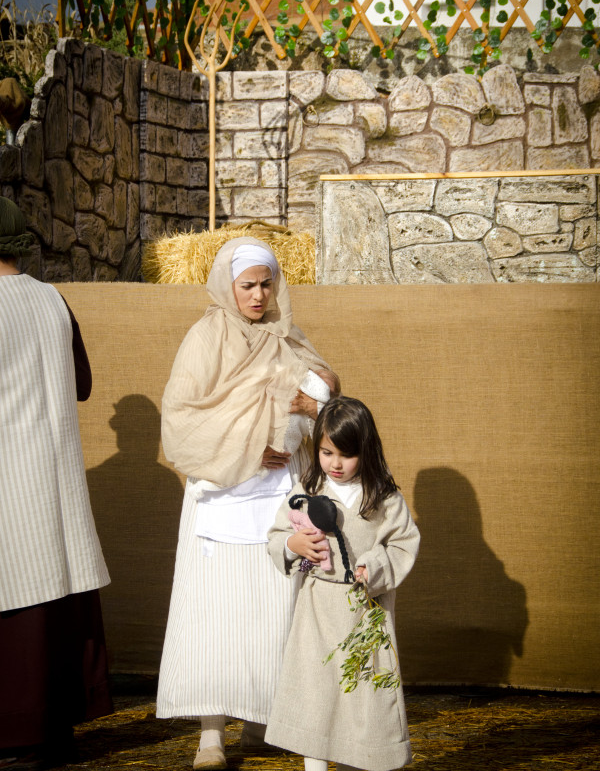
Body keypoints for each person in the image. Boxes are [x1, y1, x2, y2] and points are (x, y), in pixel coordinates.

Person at [157, 237, 339, 771]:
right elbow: (181, 416)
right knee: (215, 614)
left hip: (276, 500)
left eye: (266, 284)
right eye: (248, 285)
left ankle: (263, 718)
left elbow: (326, 396)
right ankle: (209, 736)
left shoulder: (288, 338)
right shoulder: (205, 335)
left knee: (271, 610)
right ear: (227, 285)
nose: (258, 296)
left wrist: (313, 402)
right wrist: (243, 445)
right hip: (223, 493)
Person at [0, 197, 112, 770]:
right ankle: (59, 727)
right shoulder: (53, 298)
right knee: (57, 586)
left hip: (8, 473)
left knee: (16, 595)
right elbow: (83, 384)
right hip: (56, 468)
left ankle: (19, 737)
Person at [265, 396, 420, 771]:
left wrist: (374, 566)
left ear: (365, 452)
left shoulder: (383, 498)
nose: (335, 464)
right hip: (317, 612)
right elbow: (277, 533)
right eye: (326, 452)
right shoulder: (307, 489)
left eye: (346, 455)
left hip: (363, 616)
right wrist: (293, 544)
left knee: (362, 699)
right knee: (316, 695)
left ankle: (361, 761)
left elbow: (403, 542)